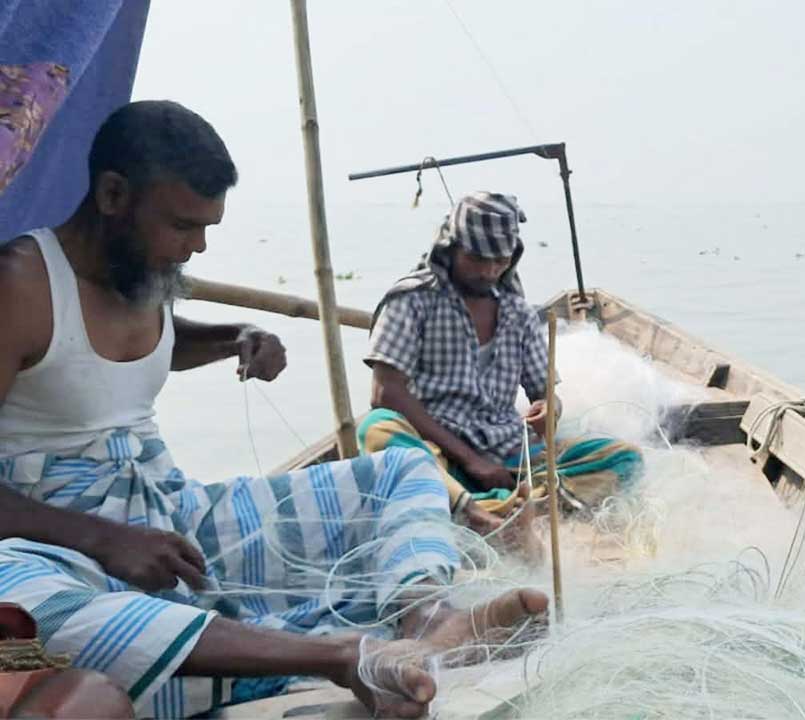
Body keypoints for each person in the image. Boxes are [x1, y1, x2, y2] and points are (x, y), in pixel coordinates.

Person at [0, 100, 546, 719]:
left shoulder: (139, 272)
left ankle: (425, 616)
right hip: (52, 543)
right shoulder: (19, 285)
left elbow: (118, 352)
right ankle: (339, 655)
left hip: (170, 515)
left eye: (208, 227)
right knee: (32, 613)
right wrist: (105, 540)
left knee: (404, 471)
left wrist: (231, 335)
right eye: (183, 226)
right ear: (113, 194)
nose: (197, 247)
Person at [362, 191, 643, 533]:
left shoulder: (518, 314)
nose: (490, 271)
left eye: (500, 261)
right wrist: (471, 460)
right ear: (451, 249)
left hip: (508, 457)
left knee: (624, 458)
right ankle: (492, 506)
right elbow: (385, 393)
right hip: (440, 454)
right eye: (477, 260)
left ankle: (498, 508)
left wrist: (547, 409)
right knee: (377, 427)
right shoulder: (412, 301)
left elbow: (546, 395)